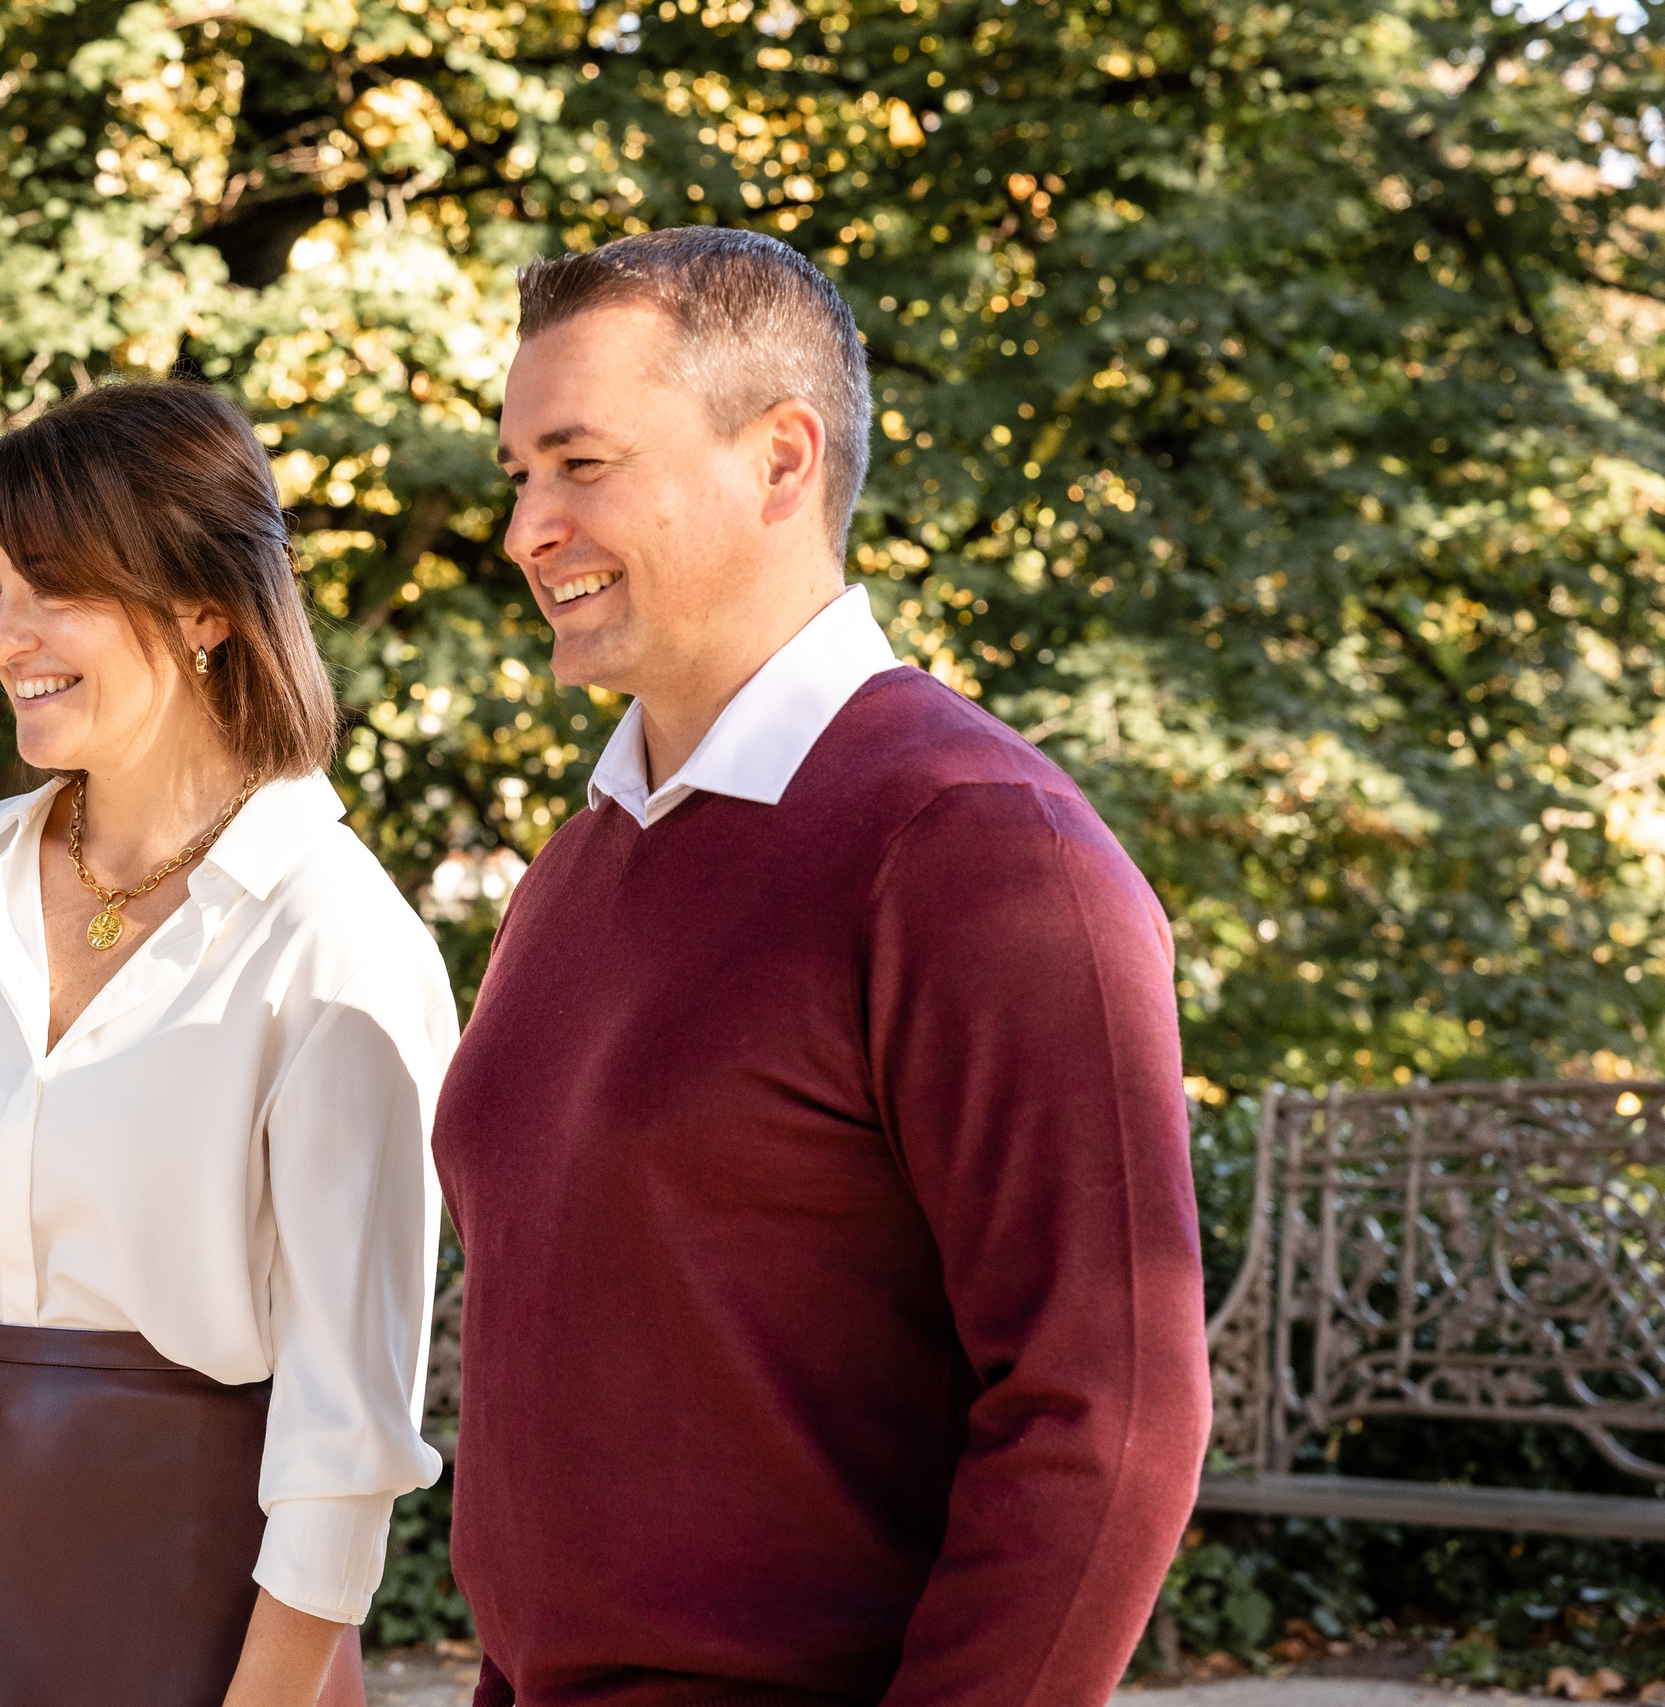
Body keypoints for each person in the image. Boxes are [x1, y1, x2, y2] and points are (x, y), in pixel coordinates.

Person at [432, 227, 1211, 1706]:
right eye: (518, 475)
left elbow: (1106, 1420)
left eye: (581, 462)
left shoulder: (978, 846)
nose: (530, 526)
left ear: (781, 462)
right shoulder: (574, 869)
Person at [0, 381, 455, 1707]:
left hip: (190, 1594)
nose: (6, 637)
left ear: (204, 607)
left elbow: (346, 1426)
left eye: (51, 589)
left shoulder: (338, 938)